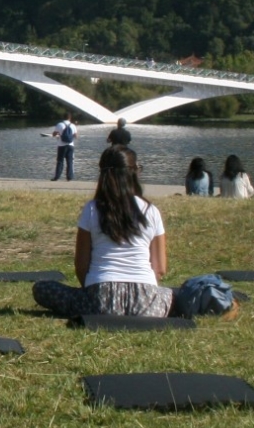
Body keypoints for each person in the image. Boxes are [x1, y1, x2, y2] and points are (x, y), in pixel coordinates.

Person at [32, 146, 171, 318]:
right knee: (173, 294)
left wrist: (91, 291)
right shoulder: (151, 211)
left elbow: (81, 265)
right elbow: (159, 268)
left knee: (41, 288)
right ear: (134, 173)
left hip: (101, 299)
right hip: (146, 302)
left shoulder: (92, 209)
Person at [44, 115, 78, 181]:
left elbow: (54, 134)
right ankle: (69, 177)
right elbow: (76, 136)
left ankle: (57, 177)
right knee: (70, 161)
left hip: (61, 145)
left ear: (63, 117)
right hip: (70, 145)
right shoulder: (73, 125)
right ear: (70, 118)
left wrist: (58, 134)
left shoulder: (59, 124)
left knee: (60, 161)